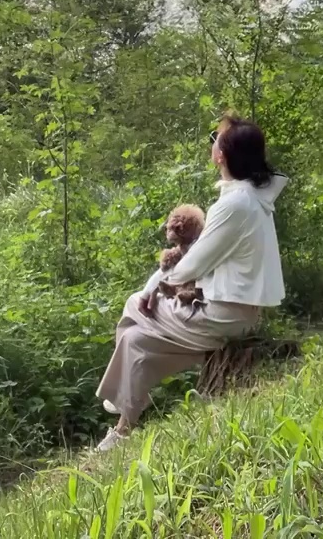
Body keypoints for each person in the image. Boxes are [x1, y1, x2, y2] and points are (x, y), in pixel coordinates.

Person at [94, 116, 287, 451]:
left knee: (132, 305)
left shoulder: (234, 204)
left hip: (223, 316)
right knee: (136, 341)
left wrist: (150, 291)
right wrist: (155, 289)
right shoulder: (252, 198)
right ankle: (123, 427)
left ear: (221, 156)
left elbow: (190, 265)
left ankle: (120, 397)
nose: (212, 143)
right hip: (235, 312)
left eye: (216, 138)